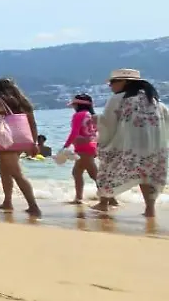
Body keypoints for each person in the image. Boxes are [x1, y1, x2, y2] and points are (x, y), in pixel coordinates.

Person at [93, 69, 169, 218]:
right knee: (147, 176)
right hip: (154, 146)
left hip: (128, 144)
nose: (110, 86)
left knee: (107, 167)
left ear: (125, 82)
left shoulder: (118, 98)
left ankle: (103, 204)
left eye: (113, 82)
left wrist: (97, 121)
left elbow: (108, 122)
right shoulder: (153, 99)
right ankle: (150, 209)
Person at [0, 78, 40, 215]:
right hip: (20, 141)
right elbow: (32, 124)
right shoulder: (23, 102)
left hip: (4, 141)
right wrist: (34, 143)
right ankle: (7, 202)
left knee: (17, 174)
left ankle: (33, 206)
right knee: (4, 169)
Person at [63, 93, 99, 204]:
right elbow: (96, 132)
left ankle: (111, 198)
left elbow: (74, 132)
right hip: (90, 147)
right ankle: (78, 198)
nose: (73, 107)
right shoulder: (91, 115)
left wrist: (65, 146)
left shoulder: (78, 115)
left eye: (74, 105)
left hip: (83, 147)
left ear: (78, 105)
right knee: (77, 172)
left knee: (94, 174)